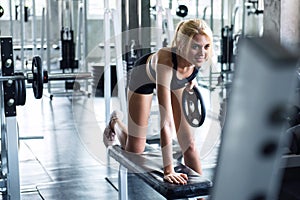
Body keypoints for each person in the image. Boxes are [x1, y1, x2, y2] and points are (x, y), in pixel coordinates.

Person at [103, 19, 213, 185]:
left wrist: (191, 81)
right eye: (195, 46)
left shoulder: (199, 59)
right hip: (143, 79)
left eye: (206, 46)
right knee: (135, 149)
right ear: (182, 46)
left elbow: (189, 73)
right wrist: (168, 170)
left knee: (189, 143)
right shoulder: (166, 61)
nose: (202, 52)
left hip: (175, 79)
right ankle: (115, 121)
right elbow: (166, 122)